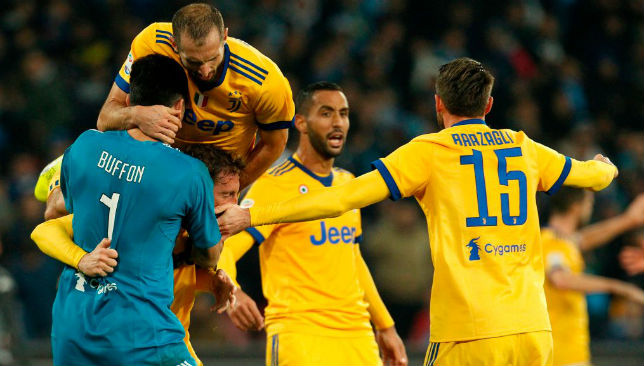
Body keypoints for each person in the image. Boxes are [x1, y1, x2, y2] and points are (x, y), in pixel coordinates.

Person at [217, 58, 619, 366]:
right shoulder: (524, 147)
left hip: (469, 331)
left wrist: (253, 214)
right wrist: (607, 166)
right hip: (534, 330)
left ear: (438, 103)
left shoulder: (430, 152)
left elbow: (342, 200)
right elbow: (593, 177)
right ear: (489, 104)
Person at [31, 54, 223, 366]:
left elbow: (56, 210)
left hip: (72, 329)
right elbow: (209, 255)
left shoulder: (84, 146)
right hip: (141, 336)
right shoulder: (189, 173)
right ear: (179, 107)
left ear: (130, 100)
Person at [216, 82, 407, 366]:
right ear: (302, 123)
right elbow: (228, 246)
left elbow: (351, 258)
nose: (338, 123)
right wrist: (233, 292)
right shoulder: (275, 184)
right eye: (326, 113)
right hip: (299, 333)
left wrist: (385, 325)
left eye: (343, 114)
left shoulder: (347, 184)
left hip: (357, 334)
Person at [33, 143, 242, 366]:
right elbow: (44, 229)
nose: (234, 204)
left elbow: (175, 272)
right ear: (200, 188)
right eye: (227, 194)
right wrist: (81, 258)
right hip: (126, 336)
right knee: (57, 207)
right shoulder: (151, 215)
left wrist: (211, 280)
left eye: (236, 195)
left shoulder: (201, 228)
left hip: (168, 339)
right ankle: (59, 176)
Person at [97, 2, 293, 189]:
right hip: (157, 171)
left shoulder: (265, 81)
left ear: (225, 36)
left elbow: (275, 143)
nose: (205, 71)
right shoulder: (152, 44)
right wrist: (137, 115)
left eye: (213, 58)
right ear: (174, 44)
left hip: (216, 176)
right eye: (193, 62)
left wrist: (228, 190)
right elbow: (105, 118)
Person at [542, 188, 644, 366]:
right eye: (589, 203)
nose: (591, 207)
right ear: (576, 207)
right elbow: (560, 278)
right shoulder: (550, 242)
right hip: (561, 354)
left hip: (569, 351)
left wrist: (628, 220)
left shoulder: (562, 241)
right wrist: (620, 288)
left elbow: (584, 239)